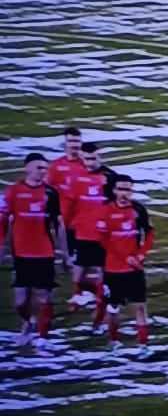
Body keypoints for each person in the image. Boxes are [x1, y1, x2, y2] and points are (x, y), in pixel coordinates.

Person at [2, 153, 66, 352]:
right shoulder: (12, 192)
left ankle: (43, 337)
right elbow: (3, 221)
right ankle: (28, 321)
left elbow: (59, 225)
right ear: (27, 168)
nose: (43, 172)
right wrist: (2, 248)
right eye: (39, 167)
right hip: (21, 253)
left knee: (44, 297)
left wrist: (65, 253)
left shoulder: (51, 193)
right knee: (20, 301)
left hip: (45, 253)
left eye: (45, 168)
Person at [94, 175, 154, 358]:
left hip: (134, 269)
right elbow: (103, 240)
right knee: (113, 308)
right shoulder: (105, 211)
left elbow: (149, 233)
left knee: (140, 307)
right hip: (113, 269)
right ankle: (114, 341)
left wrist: (141, 254)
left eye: (128, 189)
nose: (124, 193)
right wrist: (125, 257)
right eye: (121, 189)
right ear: (114, 190)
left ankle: (143, 345)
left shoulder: (138, 210)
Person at [60, 142, 116, 333]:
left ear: (100, 157)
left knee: (103, 275)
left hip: (103, 236)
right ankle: (82, 295)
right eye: (86, 159)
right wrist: (67, 232)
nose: (90, 163)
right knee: (78, 273)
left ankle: (99, 318)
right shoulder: (75, 177)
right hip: (81, 233)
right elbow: (69, 207)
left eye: (93, 158)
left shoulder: (110, 177)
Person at [44, 126, 87, 307]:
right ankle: (76, 290)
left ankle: (79, 293)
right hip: (62, 220)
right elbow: (46, 190)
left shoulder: (86, 164)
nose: (74, 145)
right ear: (65, 143)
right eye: (71, 141)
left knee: (82, 259)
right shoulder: (56, 166)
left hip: (82, 220)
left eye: (77, 141)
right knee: (68, 259)